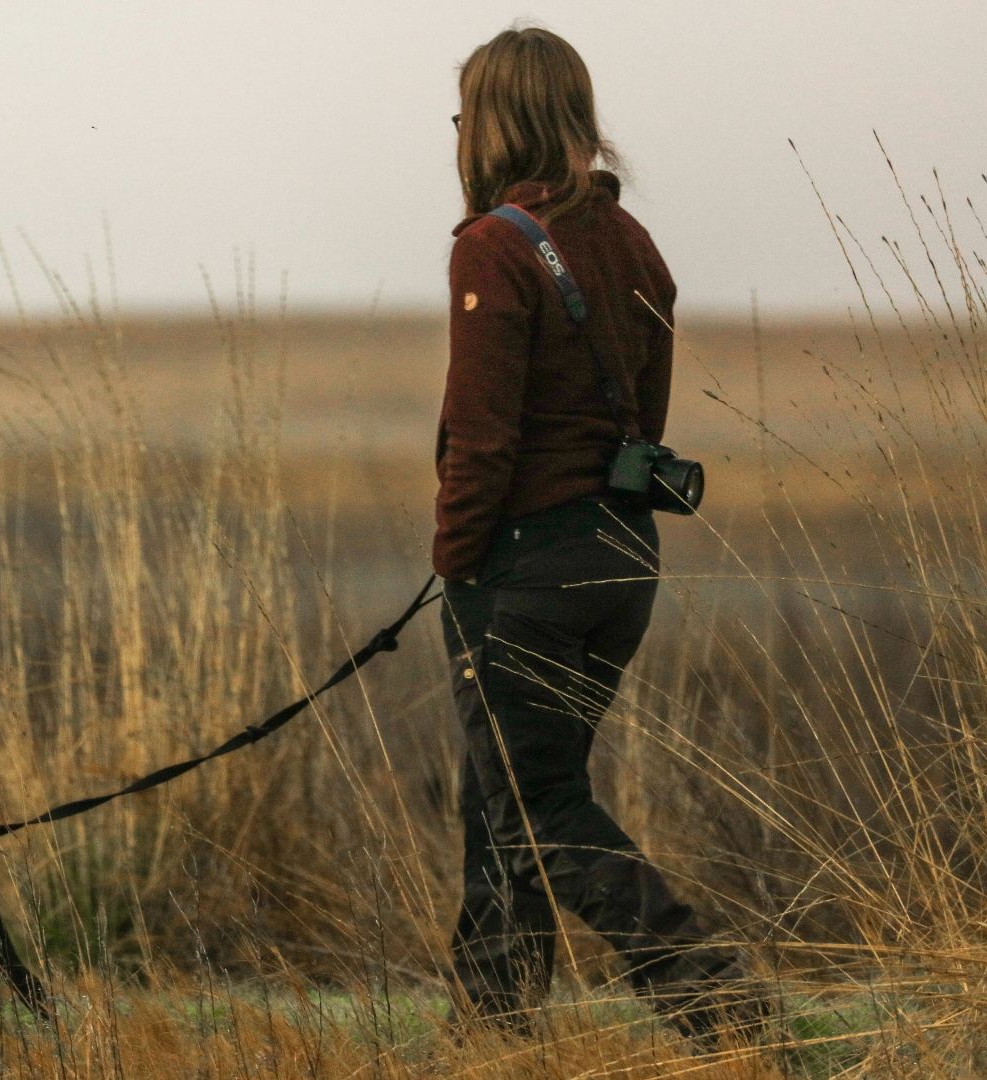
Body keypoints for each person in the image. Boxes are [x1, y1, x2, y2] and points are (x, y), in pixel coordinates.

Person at [434, 26, 759, 1043]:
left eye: (464, 112)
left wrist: (456, 562)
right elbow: (645, 418)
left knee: (533, 808)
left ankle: (710, 992)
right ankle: (495, 1033)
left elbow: (481, 442)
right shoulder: (631, 241)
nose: (456, 131)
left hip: (524, 569)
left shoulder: (493, 245)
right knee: (511, 795)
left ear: (495, 122)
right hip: (622, 559)